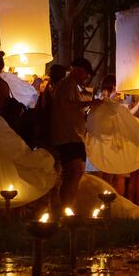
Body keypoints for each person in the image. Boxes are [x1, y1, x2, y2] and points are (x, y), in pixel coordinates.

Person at [50, 58, 99, 207]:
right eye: (85, 73)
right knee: (75, 171)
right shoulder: (67, 84)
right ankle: (66, 206)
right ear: (77, 70)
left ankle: (66, 206)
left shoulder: (71, 85)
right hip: (69, 135)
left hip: (72, 135)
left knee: (73, 172)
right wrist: (89, 103)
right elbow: (65, 104)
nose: (86, 77)